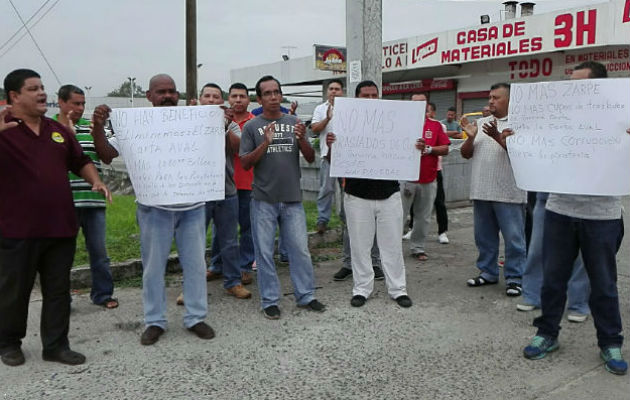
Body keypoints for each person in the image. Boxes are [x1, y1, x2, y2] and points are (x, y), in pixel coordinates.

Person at [92, 74, 215, 345]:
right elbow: (107, 155)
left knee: (195, 265)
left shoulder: (194, 121)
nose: (168, 96)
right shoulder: (134, 125)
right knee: (153, 268)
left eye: (172, 91)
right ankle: (155, 320)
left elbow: (221, 144)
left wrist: (221, 119)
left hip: (192, 206)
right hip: (154, 208)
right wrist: (98, 128)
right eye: (161, 92)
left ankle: (195, 317)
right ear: (149, 96)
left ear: (178, 95)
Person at [522, 61, 628, 376]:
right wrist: (515, 141)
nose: (571, 90)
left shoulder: (620, 118)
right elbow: (535, 152)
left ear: (599, 87)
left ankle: (610, 342)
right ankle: (547, 334)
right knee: (553, 280)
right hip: (559, 211)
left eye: (579, 84)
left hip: (602, 216)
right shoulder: (557, 119)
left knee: (604, 284)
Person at [0, 69, 111, 366]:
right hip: (16, 228)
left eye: (42, 88)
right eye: (33, 89)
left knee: (58, 290)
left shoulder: (56, 130)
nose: (41, 93)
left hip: (60, 226)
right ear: (13, 96)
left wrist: (95, 180)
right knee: (14, 290)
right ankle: (9, 343)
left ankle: (56, 345)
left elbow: (80, 160)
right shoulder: (4, 128)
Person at [326, 80, 422, 308]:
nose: (370, 99)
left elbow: (408, 148)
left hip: (389, 195)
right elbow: (333, 162)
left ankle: (398, 289)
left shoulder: (395, 123)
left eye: (373, 95)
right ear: (356, 98)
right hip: (357, 196)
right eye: (365, 95)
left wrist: (417, 147)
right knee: (360, 246)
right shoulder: (344, 123)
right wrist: (332, 146)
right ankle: (362, 288)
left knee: (392, 246)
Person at [240, 75, 325, 319]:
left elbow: (309, 158)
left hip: (292, 200)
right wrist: (265, 143)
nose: (274, 97)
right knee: (264, 253)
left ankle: (306, 295)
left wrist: (301, 139)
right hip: (263, 200)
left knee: (300, 250)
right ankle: (269, 300)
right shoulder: (251, 126)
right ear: (259, 98)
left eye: (277, 92)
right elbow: (245, 163)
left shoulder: (295, 121)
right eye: (267, 93)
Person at [54, 84, 117, 309]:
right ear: (61, 102)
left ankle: (103, 295)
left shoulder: (91, 127)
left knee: (99, 252)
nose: (80, 108)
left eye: (83, 104)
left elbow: (106, 156)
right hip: (63, 203)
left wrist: (98, 129)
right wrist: (66, 136)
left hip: (93, 200)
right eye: (75, 103)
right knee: (62, 255)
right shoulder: (47, 127)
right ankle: (61, 299)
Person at [461, 83, 526, 297]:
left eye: (496, 97)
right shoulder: (480, 123)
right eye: (490, 97)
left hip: (509, 193)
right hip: (482, 190)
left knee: (514, 239)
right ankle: (488, 272)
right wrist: (470, 138)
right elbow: (466, 154)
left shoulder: (519, 125)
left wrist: (499, 139)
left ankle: (515, 278)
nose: (491, 101)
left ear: (509, 100)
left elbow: (523, 157)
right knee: (484, 237)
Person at [197, 83, 251, 300]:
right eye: (207, 96)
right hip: (197, 190)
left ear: (222, 101)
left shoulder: (231, 124)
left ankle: (232, 282)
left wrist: (225, 126)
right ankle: (192, 285)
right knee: (194, 240)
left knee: (229, 239)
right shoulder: (187, 122)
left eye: (215, 96)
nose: (211, 100)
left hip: (226, 189)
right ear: (200, 99)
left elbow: (239, 149)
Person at [207, 83, 256, 286]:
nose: (238, 100)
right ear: (228, 99)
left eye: (242, 96)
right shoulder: (210, 119)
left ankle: (244, 267)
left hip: (246, 182)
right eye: (234, 96)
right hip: (219, 184)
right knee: (221, 231)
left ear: (248, 100)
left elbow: (241, 149)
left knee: (246, 228)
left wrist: (226, 126)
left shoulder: (254, 122)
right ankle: (217, 266)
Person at [517, 192, 590, 324]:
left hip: (586, 198)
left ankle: (578, 304)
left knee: (583, 255)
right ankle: (532, 295)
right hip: (548, 194)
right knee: (536, 248)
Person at [401, 97, 450, 261]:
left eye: (422, 101)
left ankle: (418, 248)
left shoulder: (435, 126)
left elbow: (445, 148)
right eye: (414, 101)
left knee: (423, 216)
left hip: (428, 178)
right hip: (405, 178)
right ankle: (389, 249)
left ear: (427, 105)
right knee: (398, 216)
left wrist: (428, 149)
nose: (418, 104)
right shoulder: (402, 123)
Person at [311, 79, 343, 234]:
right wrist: (328, 118)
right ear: (327, 91)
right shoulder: (320, 109)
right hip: (327, 156)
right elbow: (315, 129)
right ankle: (322, 220)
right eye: (331, 88)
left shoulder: (348, 107)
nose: (334, 91)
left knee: (347, 191)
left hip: (347, 157)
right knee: (326, 189)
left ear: (342, 91)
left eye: (337, 88)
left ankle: (347, 220)